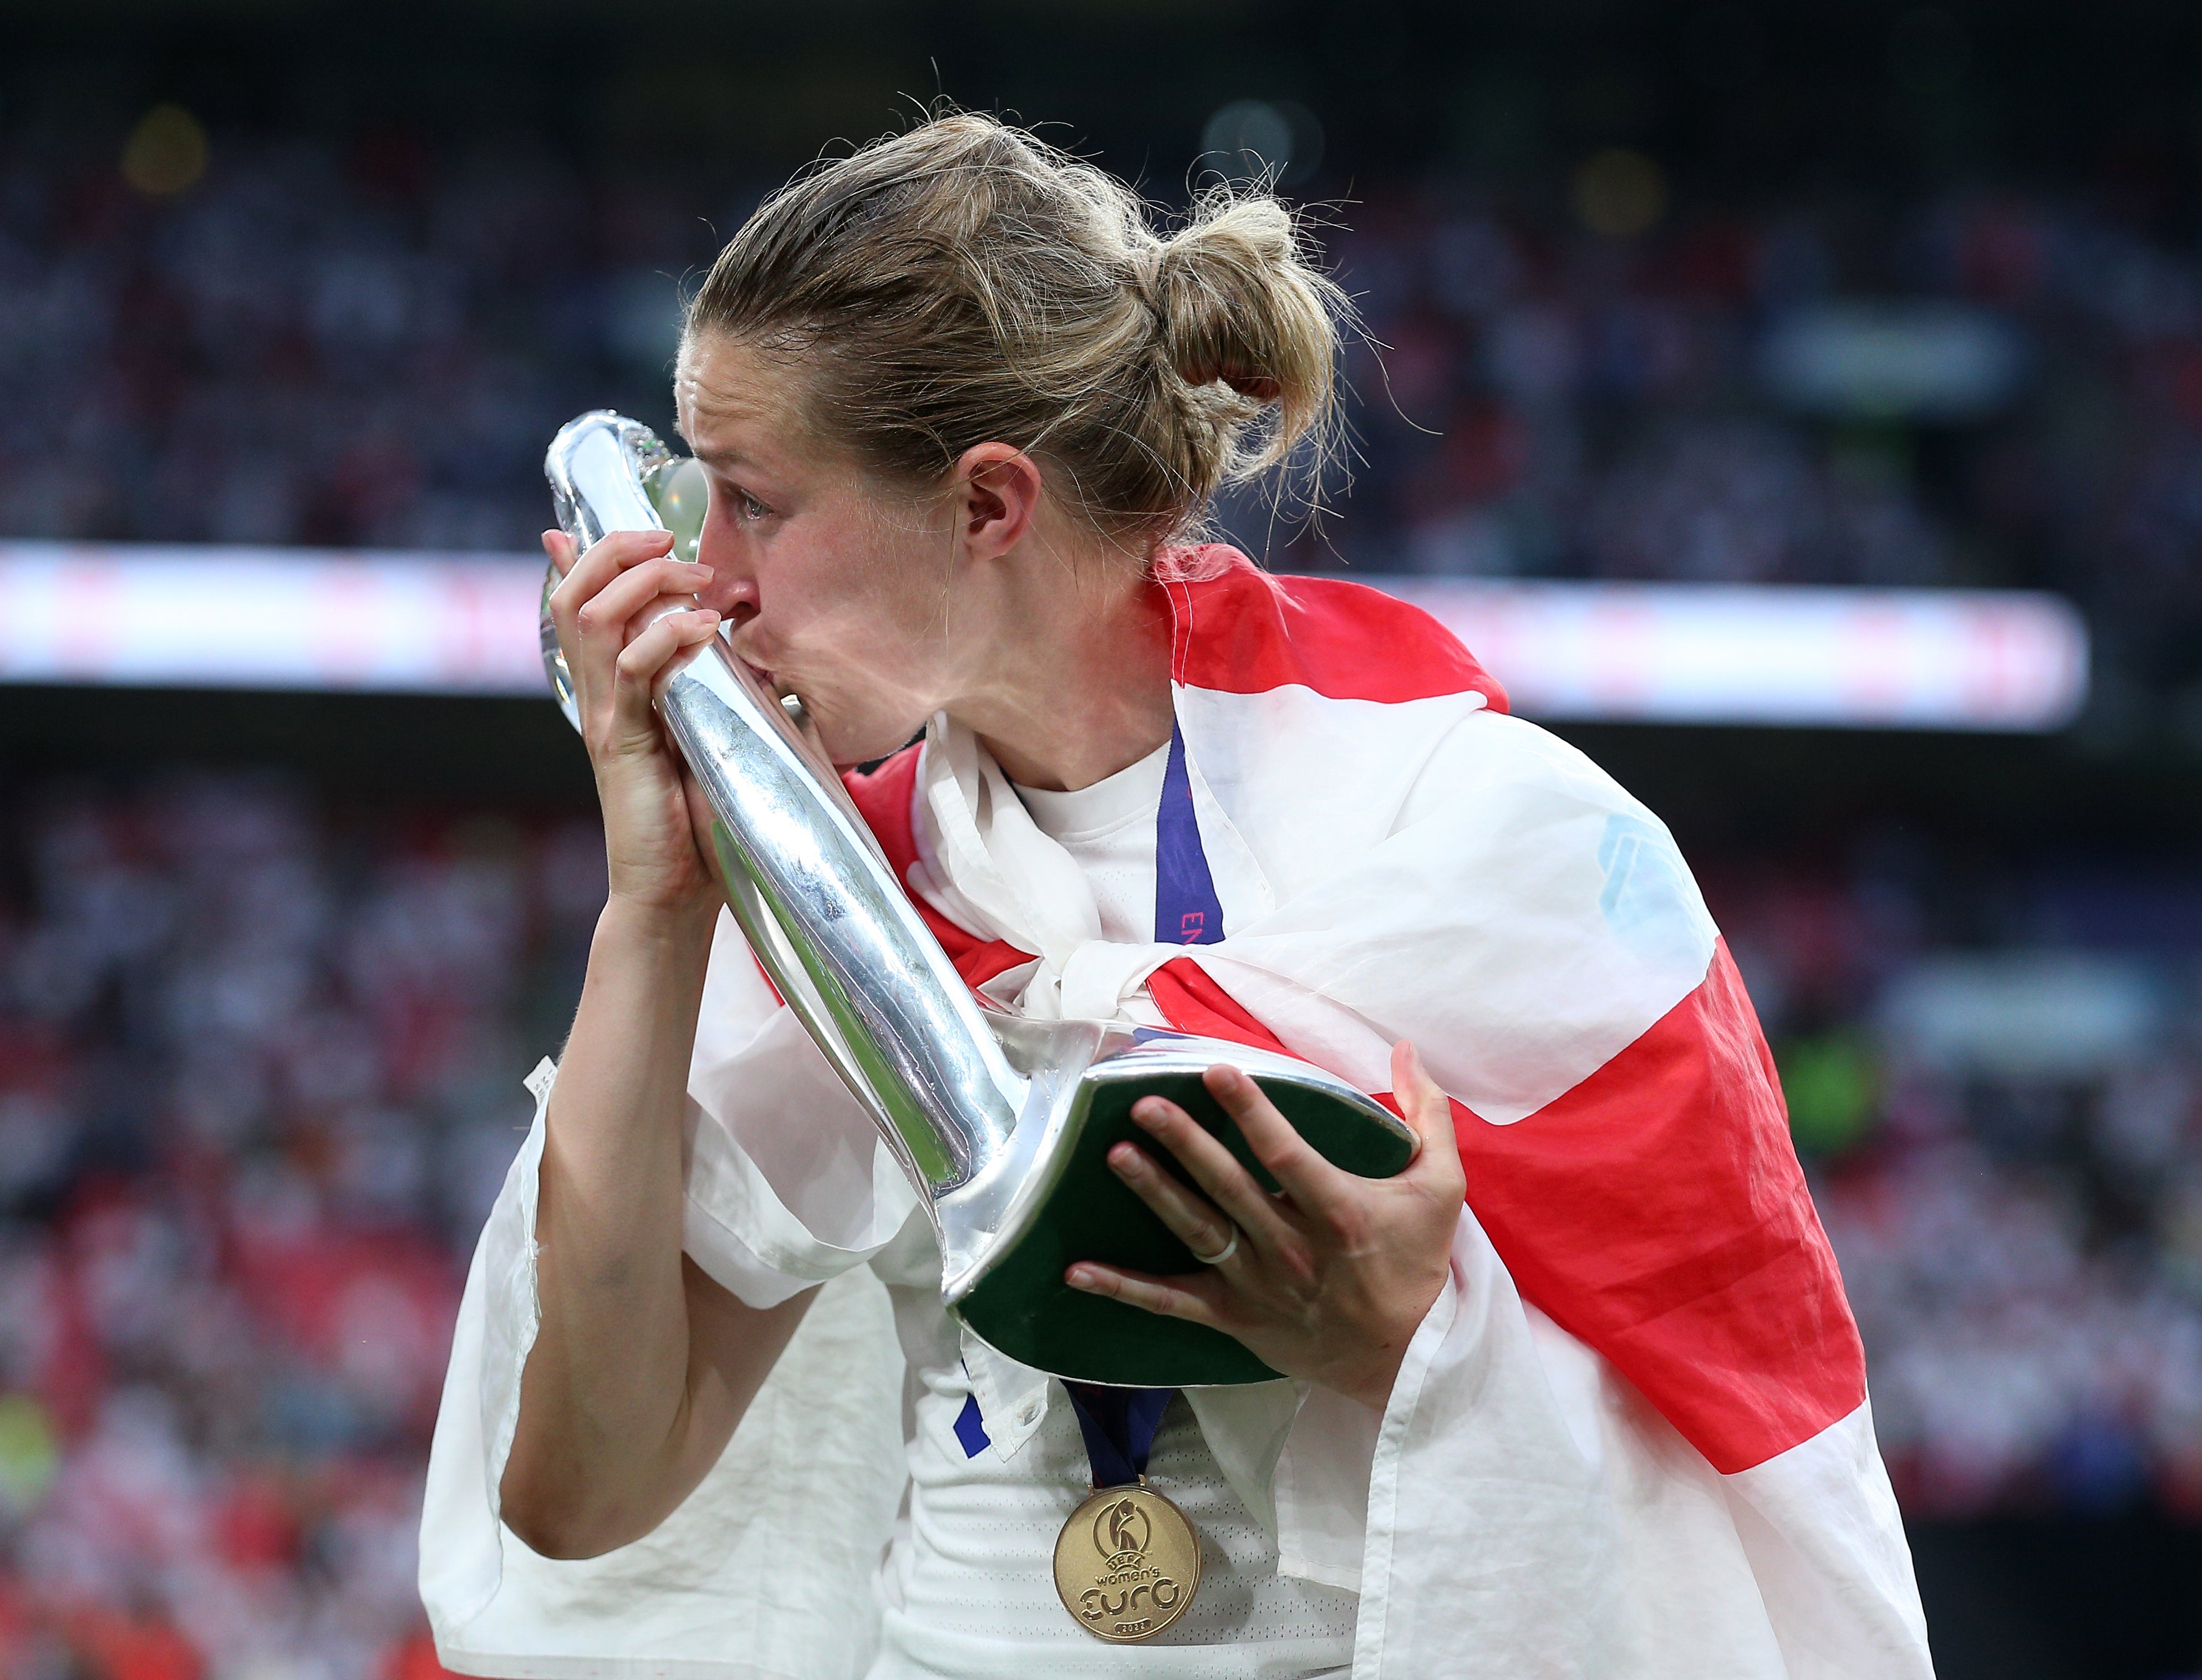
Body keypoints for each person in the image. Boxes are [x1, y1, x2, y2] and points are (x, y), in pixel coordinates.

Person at [420, 113, 1933, 1679]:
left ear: (988, 507)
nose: (705, 578)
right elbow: (585, 1490)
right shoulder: (844, 892)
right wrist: (660, 903)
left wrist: (1420, 1348)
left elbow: (1731, 1440)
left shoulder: (1478, 836)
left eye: (756, 504)